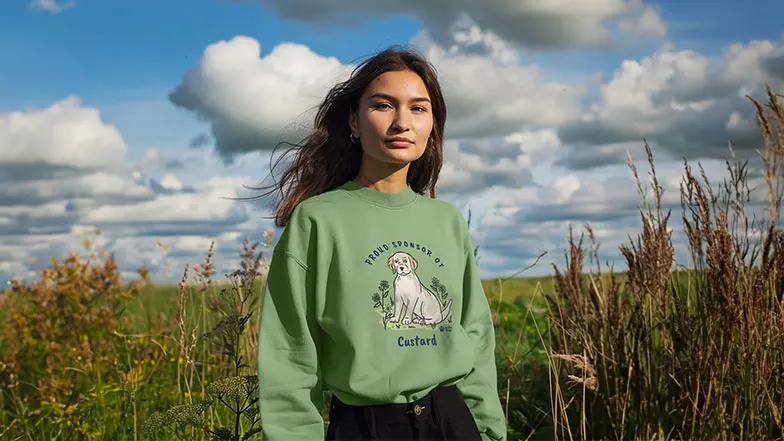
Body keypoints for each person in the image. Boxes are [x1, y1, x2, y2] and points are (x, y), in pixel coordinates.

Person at [255, 45, 507, 441]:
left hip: (453, 419)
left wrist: (489, 430)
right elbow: (289, 352)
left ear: (433, 127)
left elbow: (474, 335)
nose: (401, 122)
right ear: (354, 122)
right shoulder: (318, 220)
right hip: (367, 427)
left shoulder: (448, 221)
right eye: (384, 105)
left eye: (418, 108)